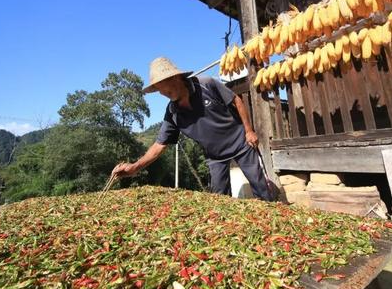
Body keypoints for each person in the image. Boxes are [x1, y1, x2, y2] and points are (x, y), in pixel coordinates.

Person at [111, 57, 273, 201]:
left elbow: (236, 100)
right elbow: (159, 146)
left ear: (175, 78)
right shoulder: (173, 112)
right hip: (215, 156)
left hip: (241, 144)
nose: (162, 93)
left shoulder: (206, 85)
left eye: (163, 87)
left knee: (262, 190)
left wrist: (249, 130)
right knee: (220, 200)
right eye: (158, 90)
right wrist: (134, 167)